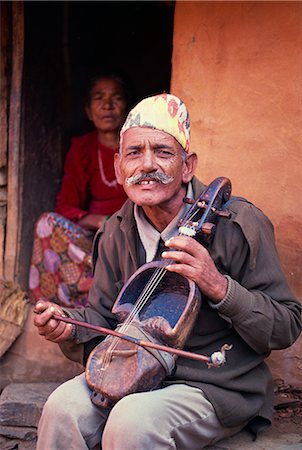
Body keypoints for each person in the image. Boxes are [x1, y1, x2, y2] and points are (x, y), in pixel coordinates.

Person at [33, 93, 302, 450]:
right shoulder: (115, 230)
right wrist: (69, 327)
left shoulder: (238, 223)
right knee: (60, 409)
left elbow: (286, 326)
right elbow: (101, 317)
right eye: (134, 153)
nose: (146, 165)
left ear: (187, 166)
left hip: (213, 384)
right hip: (131, 371)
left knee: (132, 422)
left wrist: (219, 286)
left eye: (162, 152)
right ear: (118, 168)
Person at [29, 71, 129, 307]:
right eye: (98, 98)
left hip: (130, 237)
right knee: (47, 223)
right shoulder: (82, 147)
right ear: (88, 111)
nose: (107, 105)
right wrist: (99, 222)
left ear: (126, 108)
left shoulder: (137, 145)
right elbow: (65, 206)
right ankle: (62, 308)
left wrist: (118, 225)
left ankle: (113, 297)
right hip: (93, 240)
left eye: (116, 98)